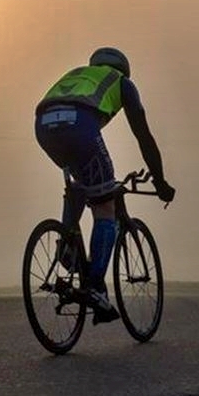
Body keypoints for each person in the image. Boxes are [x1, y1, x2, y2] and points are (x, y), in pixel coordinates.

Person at [34, 47, 176, 324]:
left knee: (81, 183)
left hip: (43, 124)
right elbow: (143, 136)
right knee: (105, 204)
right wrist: (160, 182)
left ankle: (67, 243)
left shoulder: (77, 74)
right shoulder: (122, 82)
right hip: (80, 125)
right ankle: (95, 287)